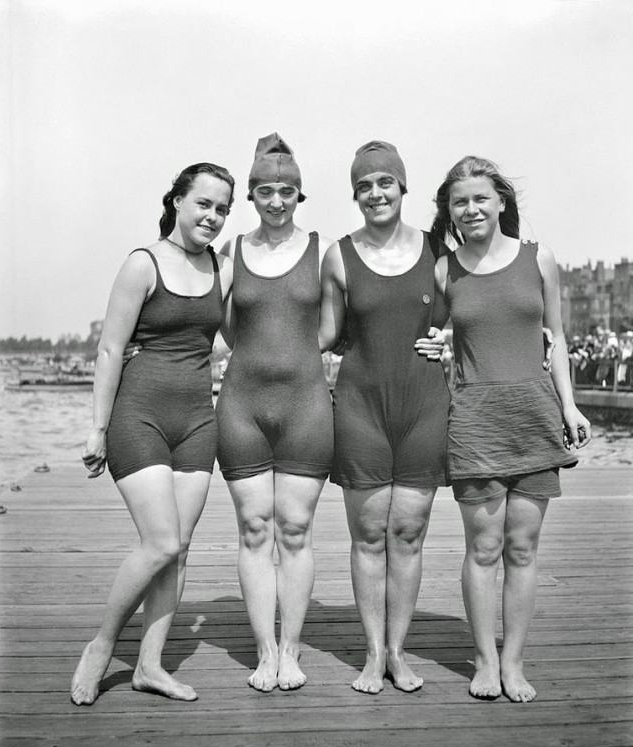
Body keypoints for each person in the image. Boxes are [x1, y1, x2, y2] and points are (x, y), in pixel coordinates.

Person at [426, 155, 591, 702]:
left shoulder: (538, 258)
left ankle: (514, 662)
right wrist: (432, 344)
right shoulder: (445, 270)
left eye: (480, 198)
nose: (470, 209)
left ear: (501, 202)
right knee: (483, 546)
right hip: (474, 422)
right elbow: (428, 336)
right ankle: (484, 659)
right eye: (459, 202)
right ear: (449, 212)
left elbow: (557, 339)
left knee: (522, 547)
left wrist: (569, 406)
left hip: (535, 418)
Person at [71, 162, 235, 705]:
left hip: (196, 421)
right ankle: (101, 645)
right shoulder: (143, 264)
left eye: (223, 209)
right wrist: (97, 428)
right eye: (205, 204)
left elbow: (252, 323)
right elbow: (111, 349)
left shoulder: (221, 268)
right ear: (178, 201)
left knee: (180, 549)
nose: (213, 216)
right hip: (137, 416)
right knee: (160, 541)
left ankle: (150, 665)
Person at [319, 141, 450, 694]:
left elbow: (476, 312)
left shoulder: (440, 251)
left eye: (384, 183)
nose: (375, 193)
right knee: (369, 535)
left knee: (409, 531)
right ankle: (373, 654)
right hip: (359, 407)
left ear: (402, 187)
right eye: (364, 186)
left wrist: (449, 339)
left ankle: (399, 651)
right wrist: (240, 343)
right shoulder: (338, 256)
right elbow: (324, 335)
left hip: (423, 406)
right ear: (355, 195)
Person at [216, 133, 334, 692]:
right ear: (252, 196)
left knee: (295, 529)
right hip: (242, 405)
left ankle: (293, 650)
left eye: (287, 191)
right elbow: (217, 322)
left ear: (300, 194)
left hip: (307, 405)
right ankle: (265, 650)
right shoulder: (232, 251)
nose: (277, 201)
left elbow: (338, 325)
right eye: (266, 191)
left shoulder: (322, 249)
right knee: (254, 527)